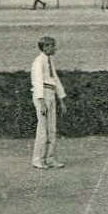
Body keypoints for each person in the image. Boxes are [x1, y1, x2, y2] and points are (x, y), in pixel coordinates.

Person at [30, 35, 68, 170]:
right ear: (45, 47)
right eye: (52, 45)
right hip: (43, 96)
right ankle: (37, 160)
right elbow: (37, 82)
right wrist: (42, 102)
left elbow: (55, 79)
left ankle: (50, 159)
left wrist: (61, 99)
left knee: (52, 129)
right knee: (42, 129)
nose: (55, 48)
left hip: (51, 94)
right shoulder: (38, 62)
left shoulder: (50, 61)